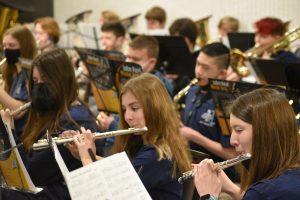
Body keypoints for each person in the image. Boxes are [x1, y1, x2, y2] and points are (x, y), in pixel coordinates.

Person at [66, 73, 192, 200]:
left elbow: (107, 194)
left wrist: (87, 157)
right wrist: (86, 154)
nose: (127, 117)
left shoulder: (156, 156)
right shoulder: (148, 143)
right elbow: (123, 171)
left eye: (134, 108)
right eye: (124, 109)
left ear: (155, 109)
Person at [0, 49, 102, 200]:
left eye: (45, 79)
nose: (39, 86)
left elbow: (30, 175)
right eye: (35, 81)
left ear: (61, 79)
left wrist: (9, 132)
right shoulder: (55, 112)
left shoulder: (73, 122)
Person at [194, 88, 300, 200]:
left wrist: (208, 195)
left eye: (239, 130)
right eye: (232, 130)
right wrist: (231, 188)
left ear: (266, 133)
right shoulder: (290, 177)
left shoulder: (264, 192)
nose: (232, 140)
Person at [180, 42, 237, 181]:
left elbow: (232, 155)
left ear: (222, 73)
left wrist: (194, 136)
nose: (198, 71)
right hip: (190, 168)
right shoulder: (192, 90)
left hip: (219, 177)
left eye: (205, 67)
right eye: (198, 64)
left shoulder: (228, 101)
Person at [0, 25, 37, 137]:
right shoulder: (11, 70)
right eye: (4, 46)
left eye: (11, 45)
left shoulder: (31, 72)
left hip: (23, 135)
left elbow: (18, 111)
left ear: (25, 47)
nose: (7, 50)